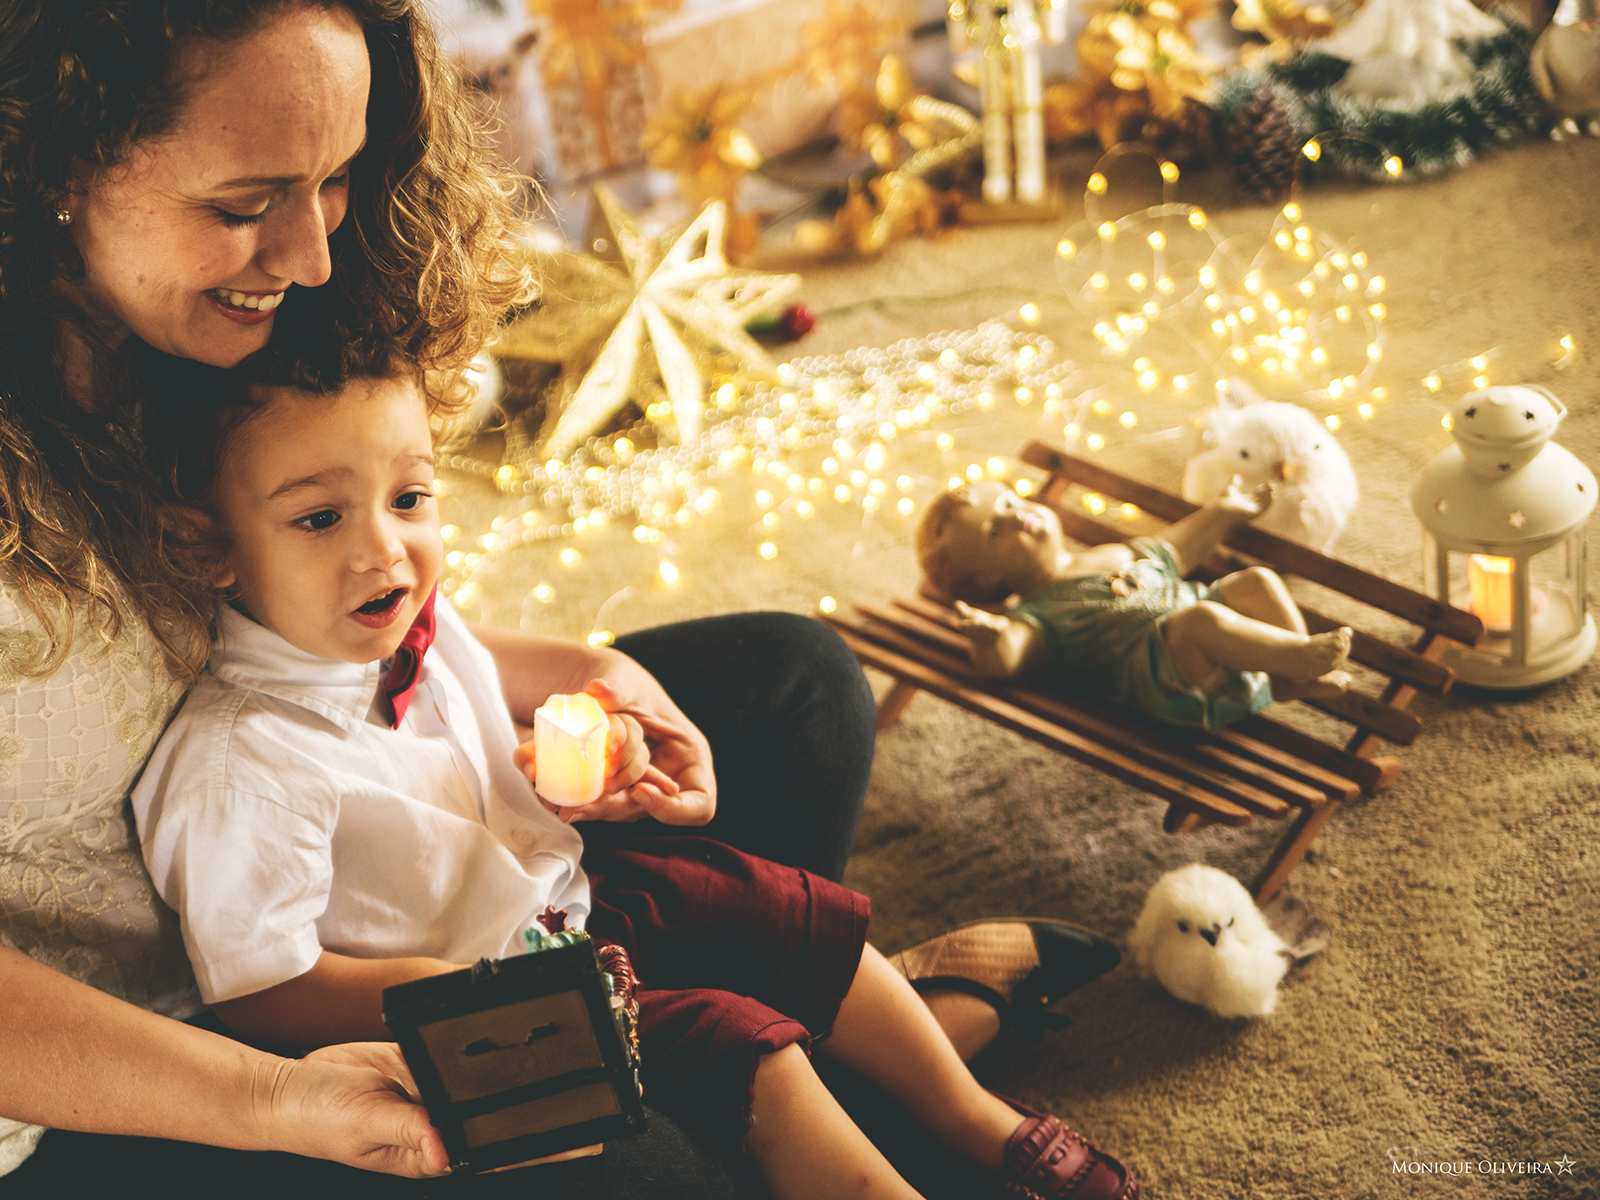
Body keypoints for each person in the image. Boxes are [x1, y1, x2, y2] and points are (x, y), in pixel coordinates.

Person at [0, 1, 1111, 1193]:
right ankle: (799, 1073)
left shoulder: (214, 331)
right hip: (143, 1051)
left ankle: (769, 1054)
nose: (316, 256)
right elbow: (266, 974)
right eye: (244, 205)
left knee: (798, 683)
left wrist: (601, 683)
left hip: (381, 865)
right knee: (649, 1168)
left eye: (334, 179)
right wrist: (282, 1098)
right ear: (54, 156)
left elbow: (378, 625)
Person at [126, 344, 1142, 1200]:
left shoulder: (398, 625)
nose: (384, 550)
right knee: (756, 1058)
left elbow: (567, 669)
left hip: (579, 897)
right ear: (208, 542)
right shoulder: (241, 764)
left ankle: (980, 1124)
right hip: (509, 998)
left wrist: (622, 715)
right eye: (319, 518)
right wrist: (448, 991)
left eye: (410, 497)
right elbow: (261, 989)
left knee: (786, 910)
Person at [916, 480, 1354, 732]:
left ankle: (1289, 674)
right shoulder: (1033, 613)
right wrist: (989, 640)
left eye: (1010, 502)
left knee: (1256, 581)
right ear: (988, 577)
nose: (1016, 515)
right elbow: (1007, 658)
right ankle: (1296, 657)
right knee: (1199, 620)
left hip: (1211, 632)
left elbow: (1175, 549)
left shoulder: (1107, 553)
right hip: (1170, 677)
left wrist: (1222, 511)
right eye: (995, 531)